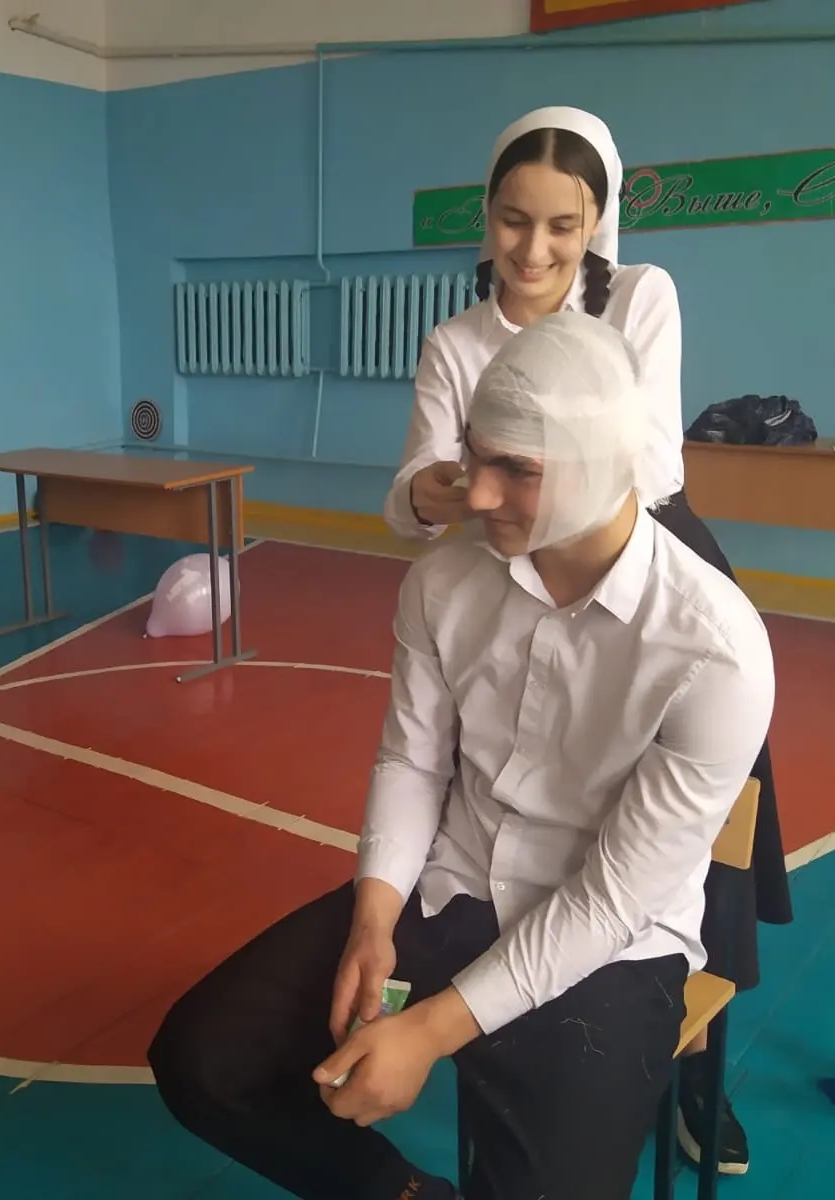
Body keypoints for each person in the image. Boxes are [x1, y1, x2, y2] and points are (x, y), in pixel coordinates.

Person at [148, 313, 776, 1200]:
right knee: (202, 1059)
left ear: (601, 466)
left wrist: (429, 1030)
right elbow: (412, 761)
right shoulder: (444, 581)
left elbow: (614, 899)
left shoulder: (714, 650)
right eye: (474, 456)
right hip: (451, 887)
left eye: (517, 469)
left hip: (611, 948)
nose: (476, 494)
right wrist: (374, 919)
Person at [381, 106, 790, 1175]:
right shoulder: (456, 341)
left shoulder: (640, 297)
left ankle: (689, 1075)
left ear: (597, 226)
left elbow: (646, 465)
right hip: (509, 561)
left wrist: (526, 471)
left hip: (642, 557)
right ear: (487, 217)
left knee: (693, 862)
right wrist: (460, 486)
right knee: (497, 790)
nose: (533, 249)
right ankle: (497, 1029)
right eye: (512, 221)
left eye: (563, 226)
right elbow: (413, 496)